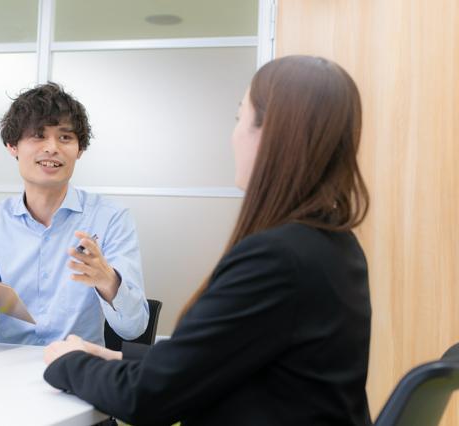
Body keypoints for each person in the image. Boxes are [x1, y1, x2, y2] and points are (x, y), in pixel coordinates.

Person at [42, 56, 373, 425]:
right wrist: (115, 358)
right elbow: (215, 357)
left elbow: (147, 398)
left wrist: (68, 363)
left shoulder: (277, 259)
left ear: (273, 134)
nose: (233, 136)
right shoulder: (335, 246)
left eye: (239, 118)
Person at [0, 83, 149, 346]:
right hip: (4, 368)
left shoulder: (111, 219)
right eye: (38, 136)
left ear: (79, 150)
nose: (52, 148)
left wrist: (109, 281)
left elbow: (133, 330)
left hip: (78, 368)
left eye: (65, 137)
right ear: (12, 146)